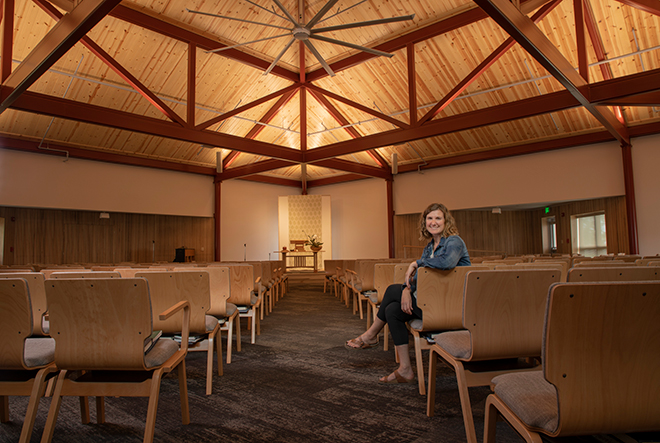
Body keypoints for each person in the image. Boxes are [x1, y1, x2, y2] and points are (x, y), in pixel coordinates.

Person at [345, 203, 471, 383]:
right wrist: (406, 289)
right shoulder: (429, 248)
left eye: (438, 218)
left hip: (451, 307)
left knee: (390, 290)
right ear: (425, 222)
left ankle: (371, 335)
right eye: (429, 218)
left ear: (446, 221)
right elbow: (419, 279)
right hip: (432, 302)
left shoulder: (454, 241)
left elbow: (446, 263)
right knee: (393, 311)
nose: (433, 222)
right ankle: (405, 369)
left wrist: (416, 263)